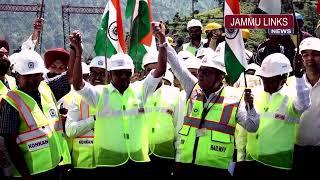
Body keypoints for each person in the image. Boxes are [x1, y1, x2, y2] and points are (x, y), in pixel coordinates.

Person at [71, 22, 167, 177]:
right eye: (118, 73)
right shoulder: (100, 94)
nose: (123, 76)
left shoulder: (140, 90)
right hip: (109, 161)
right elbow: (77, 84)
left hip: (138, 160)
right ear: (110, 74)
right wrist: (78, 53)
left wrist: (162, 40)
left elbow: (160, 70)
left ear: (132, 72)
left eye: (127, 73)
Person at [166, 39, 260, 176]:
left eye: (207, 72)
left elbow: (252, 126)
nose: (200, 75)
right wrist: (163, 41)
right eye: (200, 71)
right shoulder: (193, 89)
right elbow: (178, 67)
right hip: (186, 166)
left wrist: (250, 107)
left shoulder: (235, 97)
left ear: (220, 77)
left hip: (216, 169)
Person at [0, 49, 74, 179]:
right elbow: (10, 144)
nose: (32, 80)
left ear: (41, 74)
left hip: (56, 166)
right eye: (27, 76)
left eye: (36, 75)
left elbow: (70, 76)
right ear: (17, 76)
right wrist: (26, 176)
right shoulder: (11, 101)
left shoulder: (46, 88)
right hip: (31, 173)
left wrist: (76, 52)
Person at [239, 53, 310, 177]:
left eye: (270, 79)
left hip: (277, 164)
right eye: (264, 78)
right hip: (251, 159)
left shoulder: (291, 96)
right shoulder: (256, 93)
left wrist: (299, 77)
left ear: (284, 78)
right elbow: (245, 125)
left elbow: (303, 104)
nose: (266, 83)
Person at [65, 56, 107, 177]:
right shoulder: (77, 97)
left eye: (102, 73)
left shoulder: (116, 97)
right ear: (89, 75)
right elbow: (70, 130)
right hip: (83, 164)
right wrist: (94, 119)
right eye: (94, 73)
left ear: (109, 75)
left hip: (108, 161)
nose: (98, 77)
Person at [141, 50, 181, 176]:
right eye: (149, 70)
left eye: (157, 68)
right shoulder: (135, 90)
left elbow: (179, 128)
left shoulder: (174, 94)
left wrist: (178, 159)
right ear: (143, 72)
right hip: (139, 157)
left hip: (165, 158)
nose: (154, 73)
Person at [294, 37, 320, 176]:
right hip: (294, 150)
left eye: (315, 54)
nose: (310, 58)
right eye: (305, 54)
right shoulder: (292, 83)